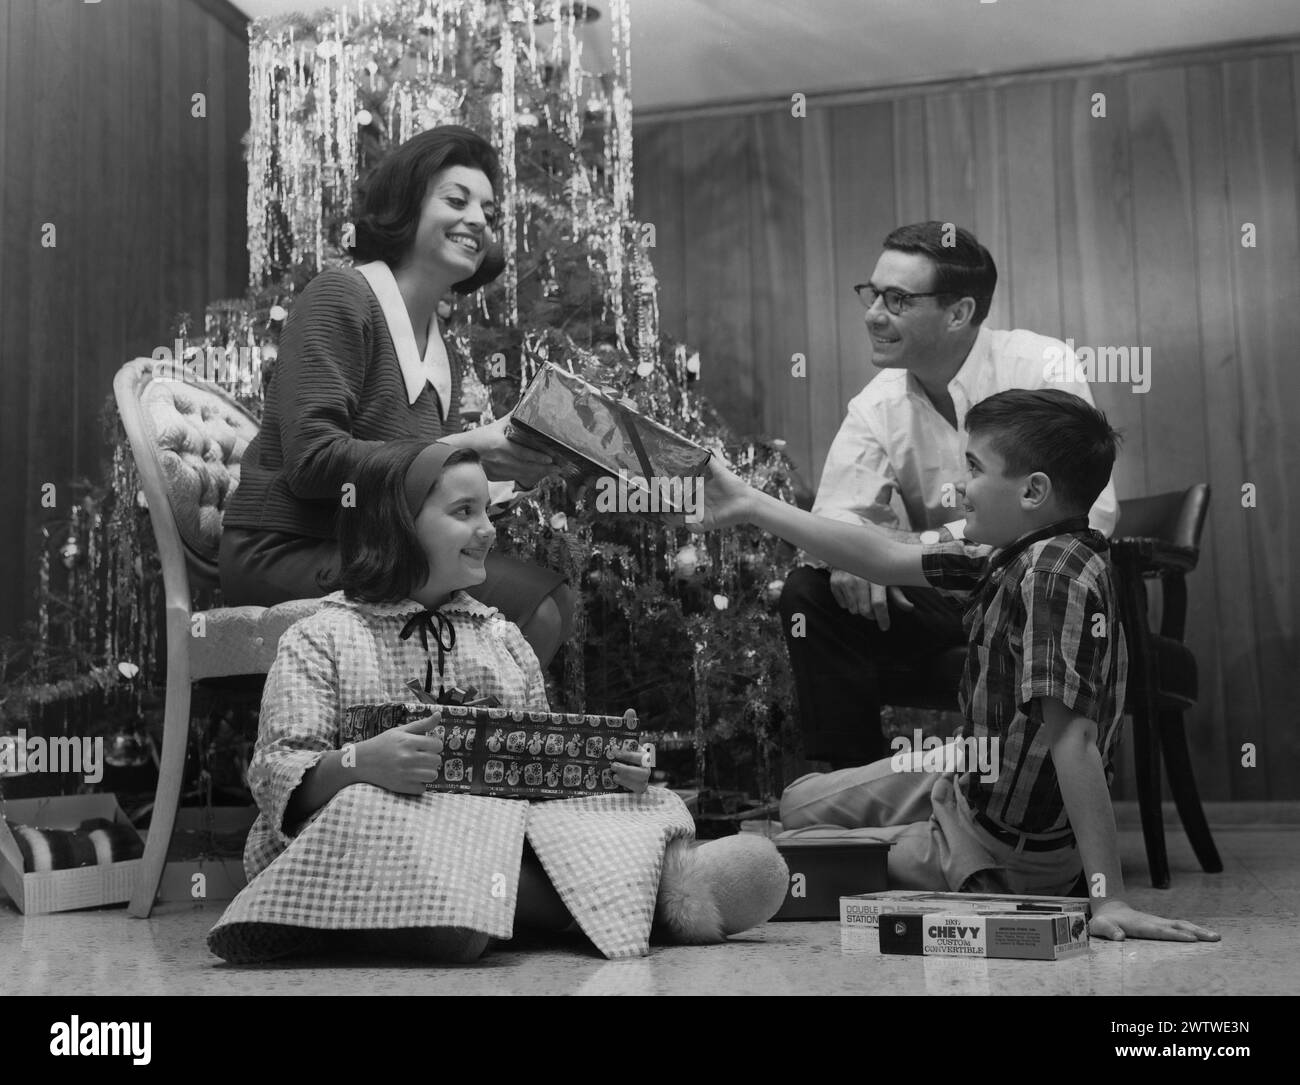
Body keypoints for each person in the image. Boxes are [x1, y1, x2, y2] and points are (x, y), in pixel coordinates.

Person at [207, 440, 788, 964]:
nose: (487, 528)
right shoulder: (322, 636)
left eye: (487, 510)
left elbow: (536, 776)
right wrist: (362, 765)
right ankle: (619, 903)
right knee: (372, 812)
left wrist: (601, 775)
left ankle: (486, 913)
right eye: (464, 513)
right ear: (397, 527)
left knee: (644, 804)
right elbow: (276, 772)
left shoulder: (500, 637)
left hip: (497, 834)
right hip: (379, 839)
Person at [693, 389, 1218, 942]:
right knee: (800, 804)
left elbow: (1077, 743)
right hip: (966, 774)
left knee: (803, 853)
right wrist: (749, 502)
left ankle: (984, 872)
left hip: (1000, 846)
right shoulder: (1014, 547)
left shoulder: (1053, 577)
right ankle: (912, 832)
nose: (958, 486)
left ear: (1033, 491)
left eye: (973, 467)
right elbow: (882, 556)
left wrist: (1107, 898)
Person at [219, 125, 572, 667]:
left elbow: (417, 489)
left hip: (374, 546)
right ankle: (452, 751)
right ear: (407, 206)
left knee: (552, 599)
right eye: (456, 200)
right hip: (286, 550)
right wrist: (461, 448)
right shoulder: (341, 295)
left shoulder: (442, 349)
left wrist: (509, 472)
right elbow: (312, 463)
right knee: (536, 608)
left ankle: (435, 746)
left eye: (489, 211)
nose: (478, 219)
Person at [781, 222, 1118, 769]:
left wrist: (912, 547)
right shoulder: (877, 404)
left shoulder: (1038, 366)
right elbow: (837, 515)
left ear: (959, 313)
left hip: (1035, 592)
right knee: (810, 591)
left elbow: (1088, 513)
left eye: (897, 299)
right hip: (946, 597)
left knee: (1033, 571)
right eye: (872, 294)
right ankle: (851, 796)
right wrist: (852, 560)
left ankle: (1018, 810)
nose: (872, 313)